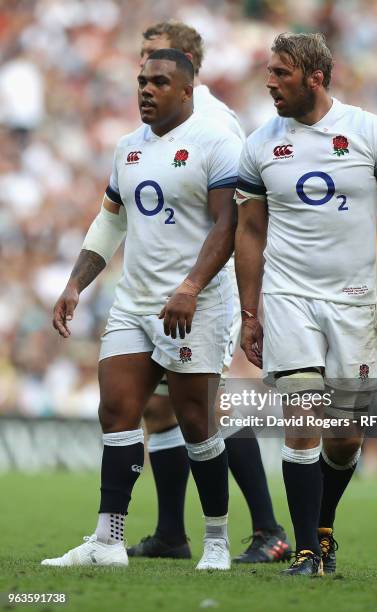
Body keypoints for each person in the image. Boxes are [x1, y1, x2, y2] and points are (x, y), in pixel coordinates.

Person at [42, 48, 241, 570]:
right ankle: (108, 541)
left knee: (197, 421)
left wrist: (192, 286)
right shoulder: (128, 149)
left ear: (186, 91)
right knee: (116, 410)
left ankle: (217, 540)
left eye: (158, 82)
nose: (146, 90)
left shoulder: (215, 144)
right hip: (135, 301)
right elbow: (110, 221)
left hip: (195, 302)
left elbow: (227, 226)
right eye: (141, 82)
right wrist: (75, 283)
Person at [235, 32, 377, 576]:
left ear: (315, 77)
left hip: (352, 302)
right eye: (268, 71)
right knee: (302, 417)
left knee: (343, 438)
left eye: (281, 73)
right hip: (288, 297)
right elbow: (249, 230)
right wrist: (251, 312)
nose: (270, 82)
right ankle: (304, 551)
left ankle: (323, 527)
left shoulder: (369, 132)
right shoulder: (261, 143)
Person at [127, 20, 290, 564]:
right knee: (159, 408)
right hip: (161, 288)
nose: (147, 73)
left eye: (158, 60)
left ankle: (268, 528)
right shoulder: (154, 126)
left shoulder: (214, 121)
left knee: (205, 407)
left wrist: (217, 287)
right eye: (145, 61)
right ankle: (172, 533)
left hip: (205, 289)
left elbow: (239, 212)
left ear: (188, 64)